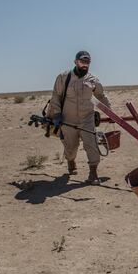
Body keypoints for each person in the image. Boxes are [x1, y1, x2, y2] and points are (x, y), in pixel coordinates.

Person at [47, 50, 111, 185]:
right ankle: (71, 160)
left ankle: (93, 174)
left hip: (87, 119)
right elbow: (56, 96)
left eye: (87, 62)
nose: (85, 65)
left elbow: (101, 96)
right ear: (75, 62)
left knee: (91, 145)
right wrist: (57, 114)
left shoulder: (93, 79)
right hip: (67, 120)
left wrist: (110, 112)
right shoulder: (63, 77)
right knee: (71, 148)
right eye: (82, 62)